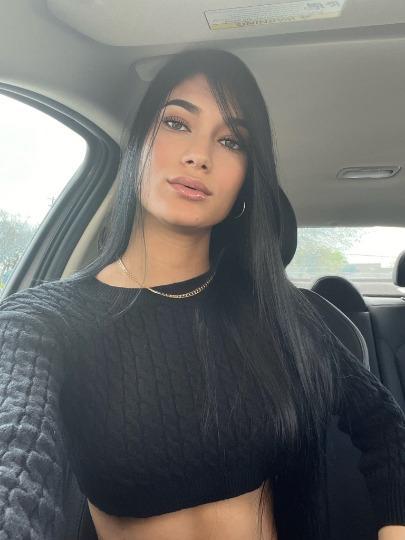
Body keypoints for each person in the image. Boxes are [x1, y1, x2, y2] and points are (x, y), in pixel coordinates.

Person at [0, 48, 404, 540]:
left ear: (246, 181)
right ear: (137, 145)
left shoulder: (276, 311)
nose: (199, 155)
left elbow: (384, 423)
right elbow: (16, 461)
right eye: (176, 123)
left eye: (231, 141)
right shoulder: (41, 322)